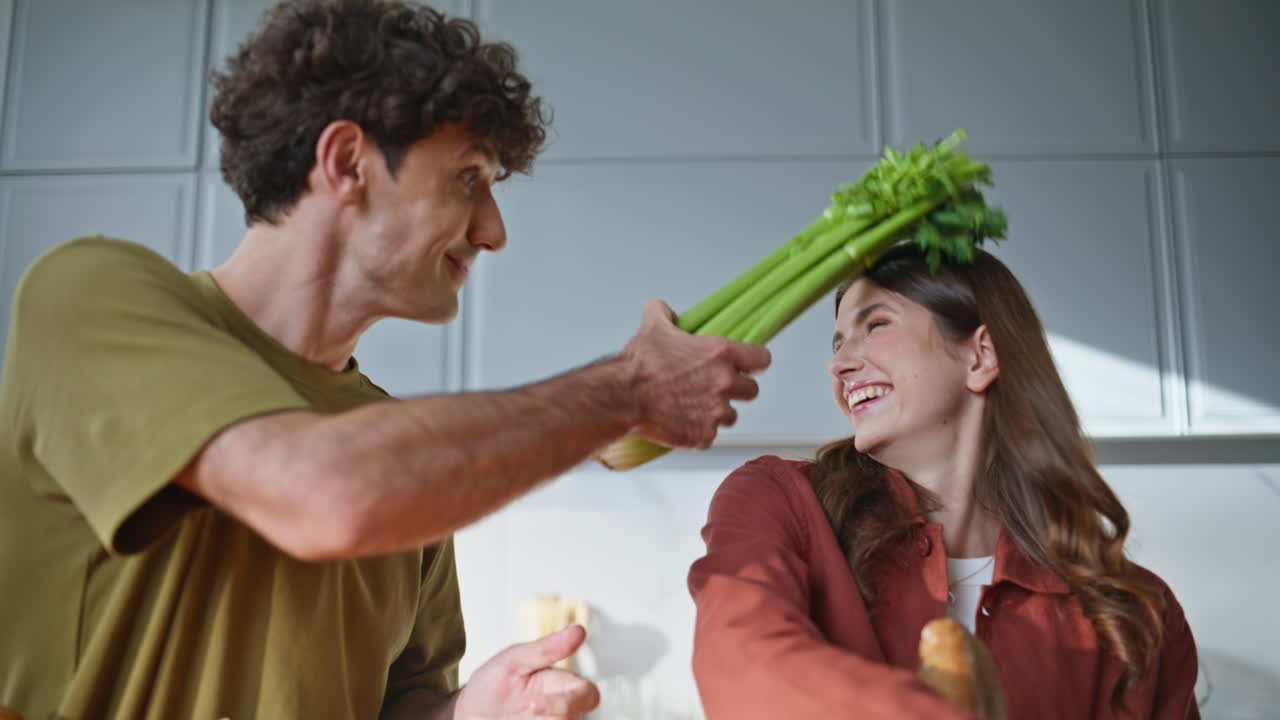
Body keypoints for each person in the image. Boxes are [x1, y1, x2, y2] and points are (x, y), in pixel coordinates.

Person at [0, 2, 771, 719]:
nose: (495, 230)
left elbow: (399, 702)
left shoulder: (407, 460)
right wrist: (628, 390)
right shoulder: (90, 294)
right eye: (468, 178)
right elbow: (323, 493)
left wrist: (468, 714)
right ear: (345, 163)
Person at [687, 245, 1198, 719]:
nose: (839, 364)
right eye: (840, 341)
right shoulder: (777, 501)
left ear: (981, 356)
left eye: (876, 325)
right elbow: (741, 658)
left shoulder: (1132, 613)